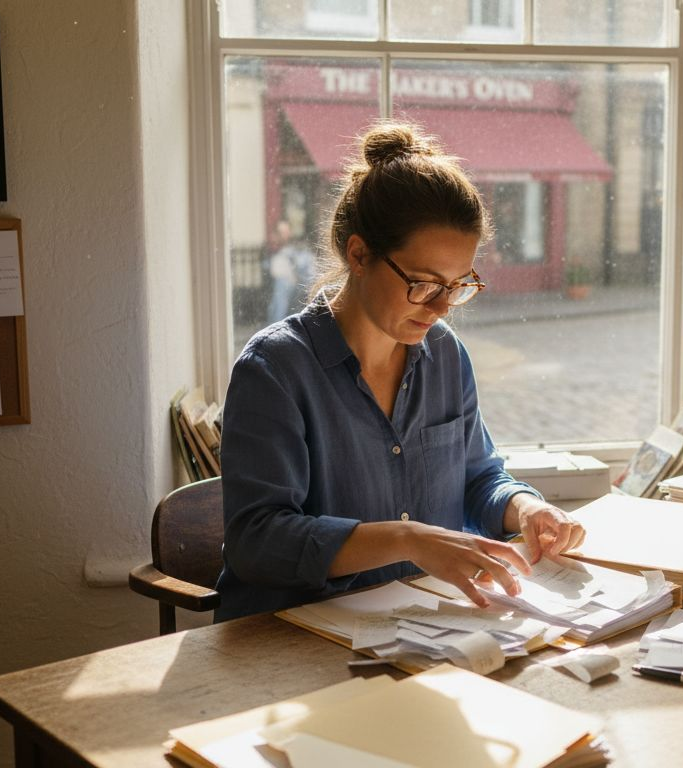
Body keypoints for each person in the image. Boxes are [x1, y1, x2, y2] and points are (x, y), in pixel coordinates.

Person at [214, 121, 585, 621]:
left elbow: (479, 476)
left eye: (458, 285)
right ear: (360, 254)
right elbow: (256, 542)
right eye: (424, 282)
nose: (442, 306)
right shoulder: (275, 371)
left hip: (419, 627)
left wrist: (525, 508)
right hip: (293, 641)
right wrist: (405, 539)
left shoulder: (445, 356)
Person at [265, 220, 313, 322]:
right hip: (282, 285)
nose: (284, 235)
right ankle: (276, 322)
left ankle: (277, 322)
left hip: (298, 284)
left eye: (286, 232)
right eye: (281, 232)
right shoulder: (272, 250)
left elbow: (304, 269)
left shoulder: (295, 249)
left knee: (283, 287)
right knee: (281, 288)